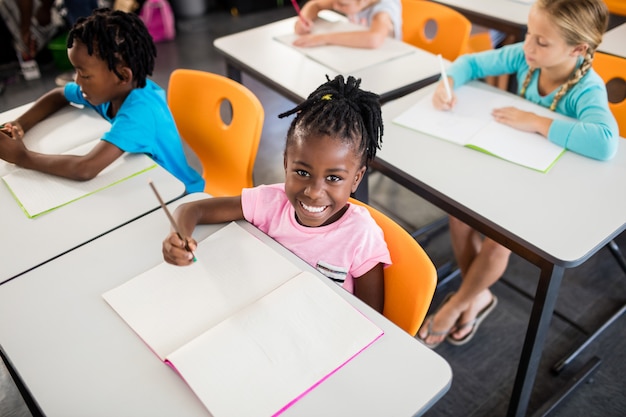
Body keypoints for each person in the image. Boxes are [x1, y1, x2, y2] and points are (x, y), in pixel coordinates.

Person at [418, 0, 619, 348]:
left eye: (542, 42)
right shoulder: (526, 58)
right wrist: (446, 83)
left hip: (553, 185)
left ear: (578, 48)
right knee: (459, 216)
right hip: (514, 166)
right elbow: (470, 62)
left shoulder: (586, 88)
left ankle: (458, 304)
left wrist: (538, 122)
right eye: (530, 35)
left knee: (499, 239)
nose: (528, 47)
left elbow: (604, 142)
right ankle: (476, 296)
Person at [162, 75, 391, 313]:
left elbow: (373, 319)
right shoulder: (270, 202)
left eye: (333, 178)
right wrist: (178, 237)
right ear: (285, 164)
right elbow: (192, 209)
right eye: (302, 172)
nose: (313, 192)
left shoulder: (361, 236)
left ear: (356, 178)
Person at [0, 8, 204, 193]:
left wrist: (22, 157)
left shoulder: (141, 111)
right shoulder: (110, 91)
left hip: (179, 196)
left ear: (123, 76)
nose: (77, 81)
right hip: (145, 185)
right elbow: (60, 94)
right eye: (76, 71)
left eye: (85, 75)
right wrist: (19, 124)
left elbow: (85, 168)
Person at [293, 0, 401, 49]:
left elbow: (374, 39)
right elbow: (315, 4)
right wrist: (304, 19)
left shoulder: (383, 11)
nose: (334, 5)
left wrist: (322, 38)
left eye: (341, 4)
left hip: (386, 58)